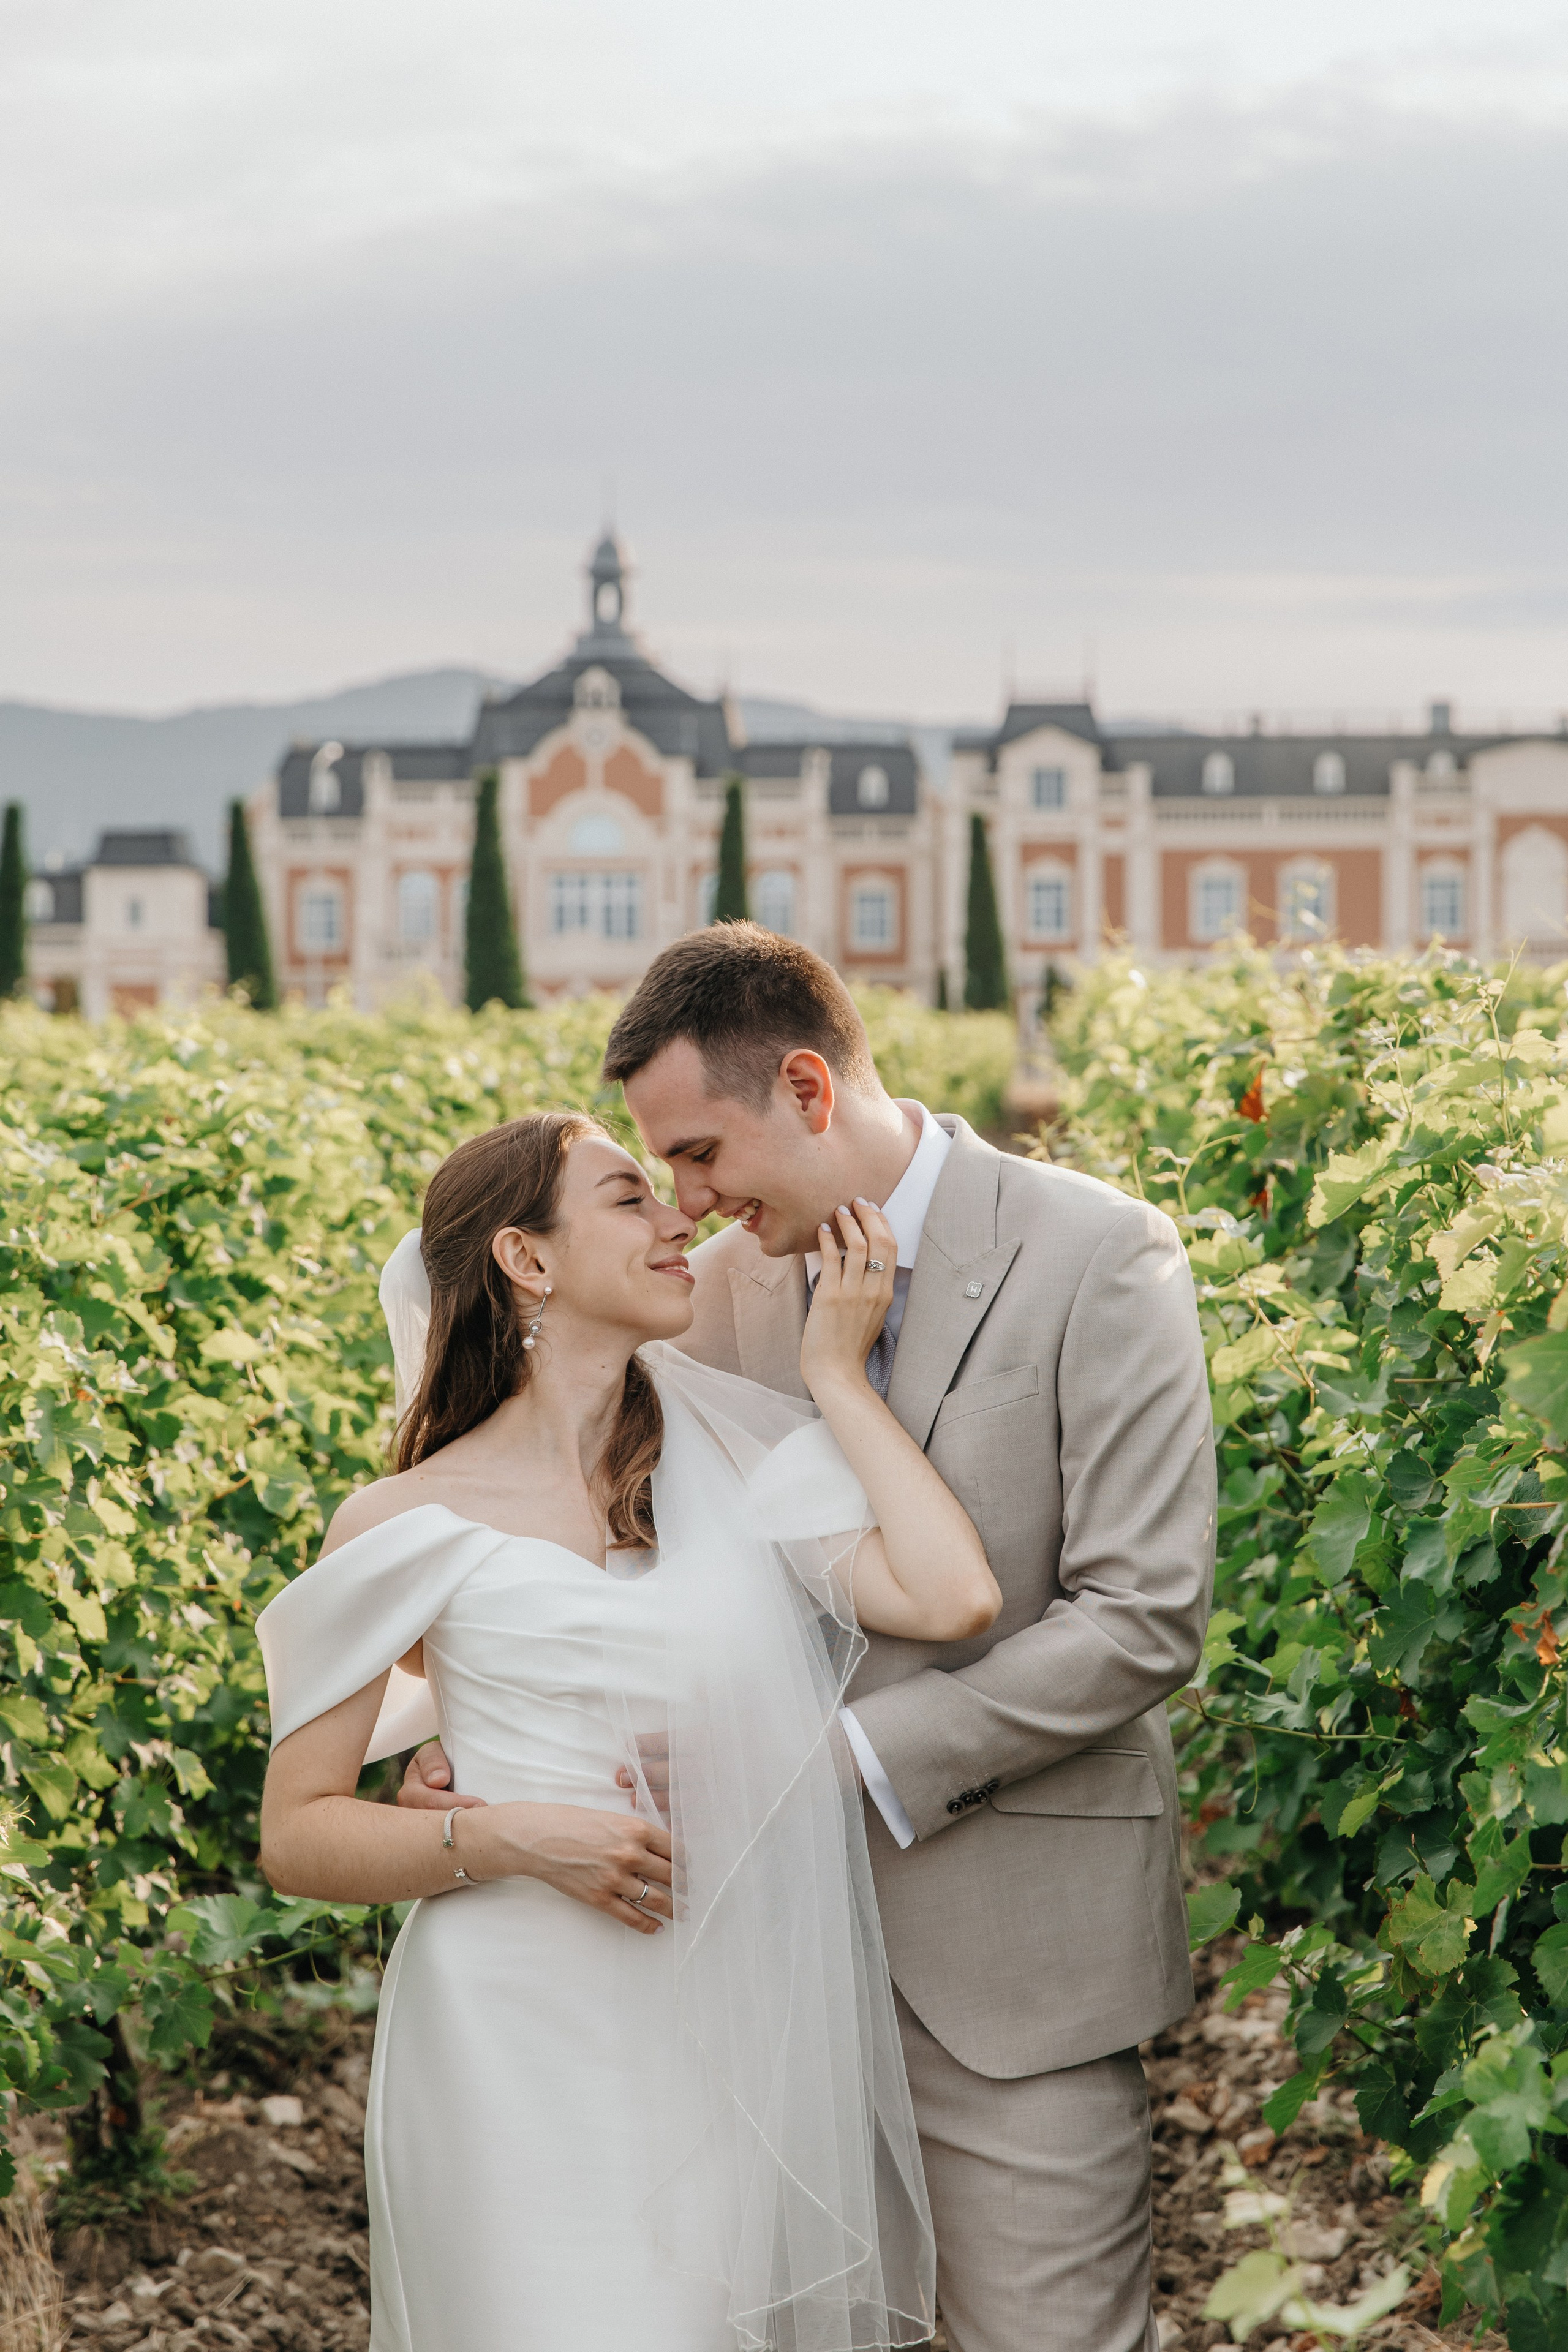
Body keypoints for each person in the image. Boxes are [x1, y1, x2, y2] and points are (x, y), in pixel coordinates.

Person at [404, 925, 1217, 2352]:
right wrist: (482, 1747)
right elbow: (599, 1540)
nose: (688, 1200)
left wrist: (820, 1760)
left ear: (804, 1086)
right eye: (663, 1172)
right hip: (736, 1974)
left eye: (700, 1154)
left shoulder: (1097, 1253)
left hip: (1009, 1968)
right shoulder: (703, 1296)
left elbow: (1138, 1621)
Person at [257, 1108, 1002, 2352]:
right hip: (508, 2027)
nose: (679, 1219)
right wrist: (508, 1840)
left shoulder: (736, 1458)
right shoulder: (399, 1520)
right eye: (628, 1198)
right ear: (526, 1259)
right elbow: (297, 1834)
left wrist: (834, 1377)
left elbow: (950, 1596)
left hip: (722, 2013)